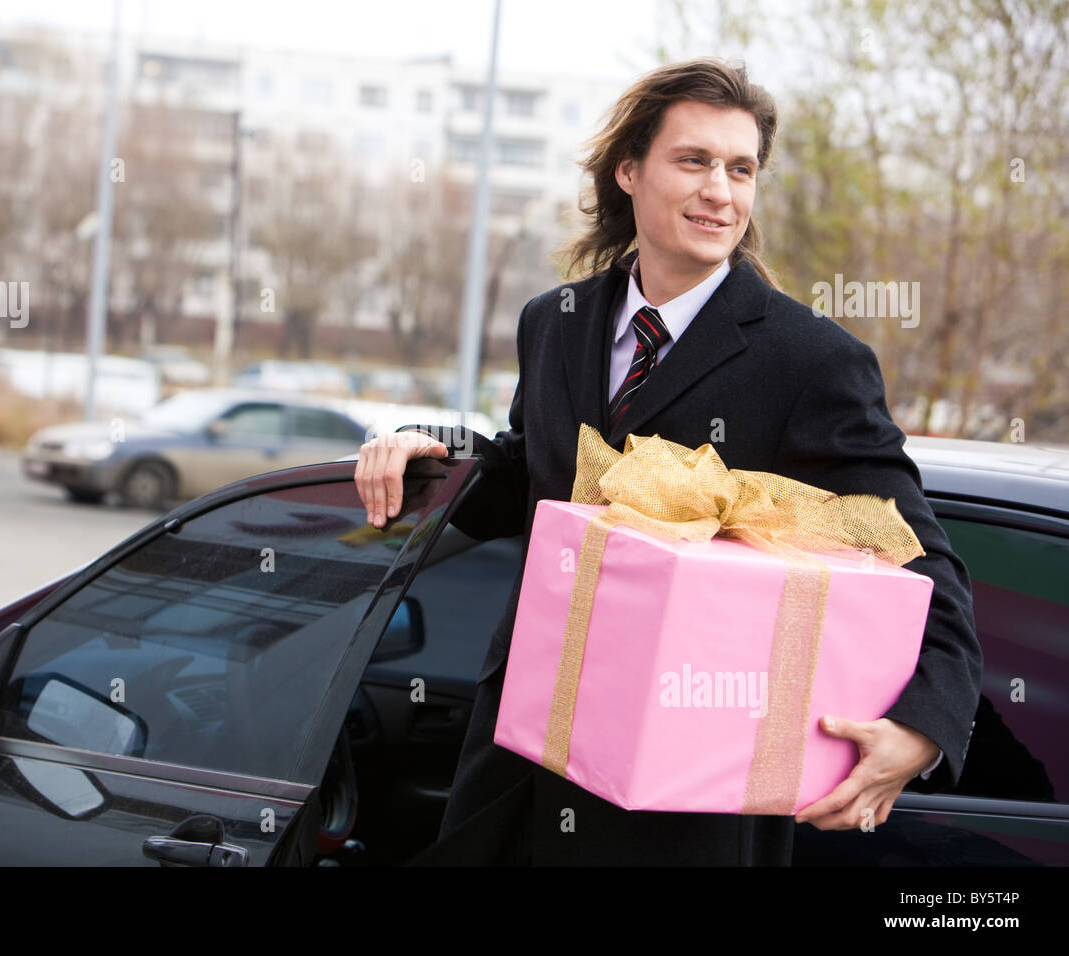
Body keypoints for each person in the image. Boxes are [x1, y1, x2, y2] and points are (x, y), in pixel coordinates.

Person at [354, 58, 981, 865]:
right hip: (520, 760)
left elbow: (916, 553)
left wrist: (924, 726)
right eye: (694, 161)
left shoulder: (811, 361)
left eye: (741, 169)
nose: (720, 190)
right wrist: (426, 451)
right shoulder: (556, 323)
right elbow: (524, 475)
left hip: (688, 802)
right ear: (629, 171)